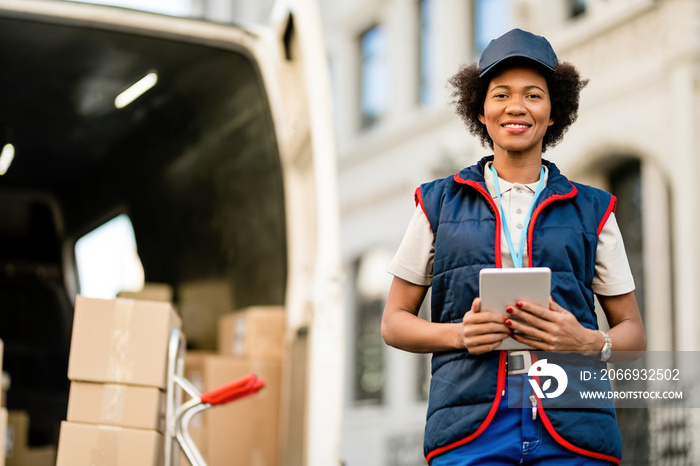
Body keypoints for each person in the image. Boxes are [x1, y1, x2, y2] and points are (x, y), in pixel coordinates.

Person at [381, 28, 646, 465]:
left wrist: (587, 341)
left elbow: (633, 335)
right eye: (500, 95)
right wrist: (460, 335)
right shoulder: (436, 203)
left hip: (575, 430)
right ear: (481, 112)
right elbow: (393, 323)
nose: (516, 107)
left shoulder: (596, 210)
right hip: (469, 432)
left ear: (554, 111)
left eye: (533, 95)